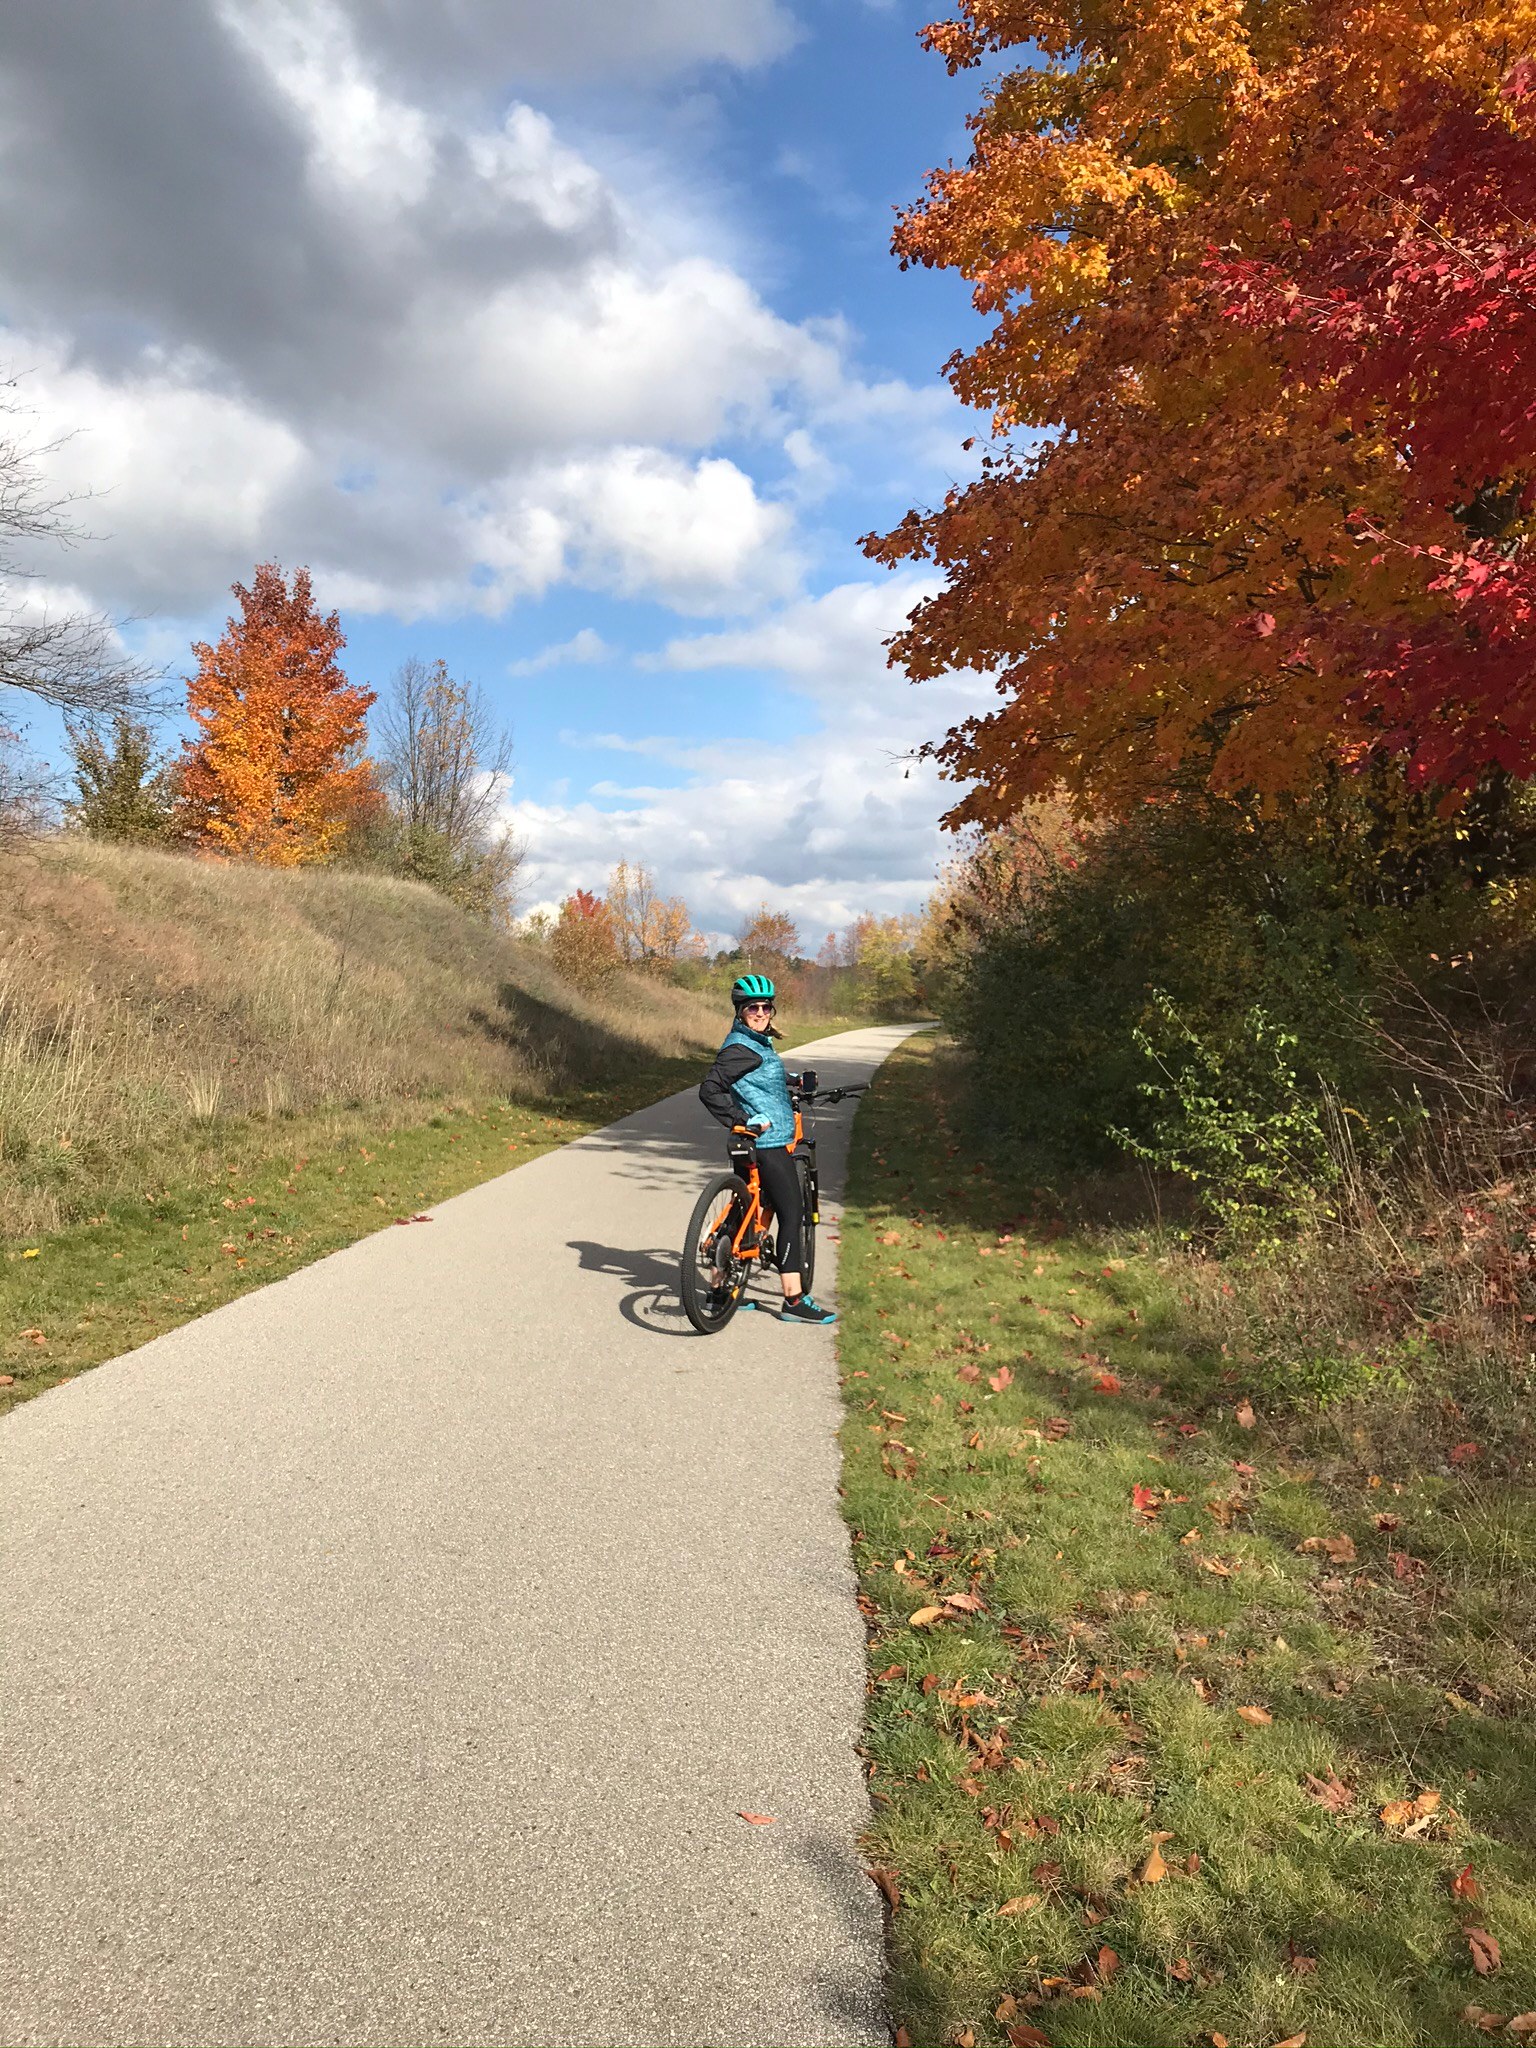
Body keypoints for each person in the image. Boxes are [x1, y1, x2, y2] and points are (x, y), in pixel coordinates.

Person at [698, 974, 836, 1325]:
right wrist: (740, 1118)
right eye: (753, 1008)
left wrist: (793, 1082)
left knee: (743, 1213)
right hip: (768, 1143)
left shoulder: (755, 1043)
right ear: (741, 1012)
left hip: (753, 1143)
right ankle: (793, 1299)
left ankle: (720, 1289)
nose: (760, 1012)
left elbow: (758, 1077)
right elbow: (710, 1090)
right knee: (793, 1213)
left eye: (765, 1007)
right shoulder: (739, 1049)